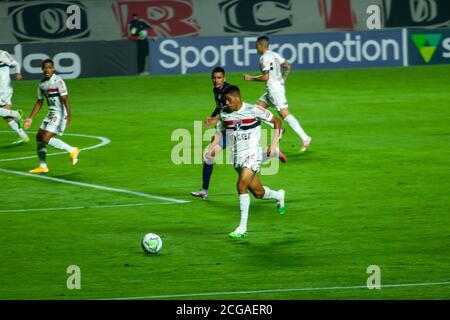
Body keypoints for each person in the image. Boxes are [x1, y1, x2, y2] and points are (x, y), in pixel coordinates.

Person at [191, 67, 286, 200]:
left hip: (234, 130)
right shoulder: (216, 90)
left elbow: (235, 111)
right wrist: (213, 117)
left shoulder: (227, 91)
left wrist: (216, 119)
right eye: (214, 77)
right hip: (229, 128)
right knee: (209, 156)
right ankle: (204, 190)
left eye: (219, 78)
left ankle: (205, 190)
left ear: (224, 78)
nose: (216, 80)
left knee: (212, 156)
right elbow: (221, 109)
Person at [206, 85, 286, 239]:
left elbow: (277, 122)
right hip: (237, 157)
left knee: (241, 185)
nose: (226, 103)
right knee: (258, 192)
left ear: (237, 97)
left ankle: (242, 228)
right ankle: (278, 195)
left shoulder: (254, 110)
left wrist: (274, 143)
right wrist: (212, 146)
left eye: (228, 100)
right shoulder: (224, 114)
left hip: (252, 154)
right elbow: (219, 132)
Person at [244, 36, 312, 152]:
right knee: (256, 109)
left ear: (261, 45)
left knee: (285, 114)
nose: (255, 47)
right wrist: (282, 80)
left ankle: (305, 138)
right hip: (274, 89)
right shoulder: (275, 55)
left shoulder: (264, 58)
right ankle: (275, 128)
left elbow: (266, 77)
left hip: (274, 91)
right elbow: (287, 66)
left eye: (256, 45)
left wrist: (251, 78)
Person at [24, 59, 80, 173]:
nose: (47, 70)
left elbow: (65, 99)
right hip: (51, 113)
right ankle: (43, 166)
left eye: (49, 67)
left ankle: (72, 150)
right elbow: (39, 102)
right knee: (39, 137)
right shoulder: (42, 83)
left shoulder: (58, 81)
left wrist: (69, 115)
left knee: (45, 138)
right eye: (45, 68)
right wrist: (30, 118)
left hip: (60, 114)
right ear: (42, 69)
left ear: (53, 69)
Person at [0, 49, 29, 145]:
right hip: (5, 89)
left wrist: (18, 73)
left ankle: (16, 114)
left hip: (3, 88)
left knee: (6, 113)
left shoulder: (2, 53)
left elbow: (16, 63)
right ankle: (23, 136)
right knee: (6, 116)